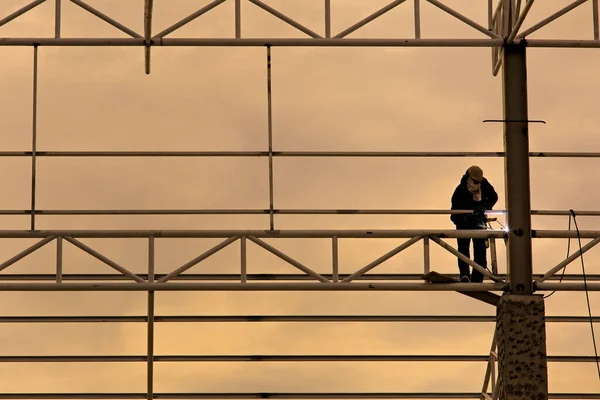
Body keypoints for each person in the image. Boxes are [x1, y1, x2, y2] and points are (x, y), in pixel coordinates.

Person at [450, 166, 498, 283]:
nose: (477, 184)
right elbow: (453, 214)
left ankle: (477, 277)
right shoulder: (460, 191)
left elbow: (494, 197)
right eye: (475, 181)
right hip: (464, 225)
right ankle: (464, 275)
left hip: (479, 223)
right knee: (463, 251)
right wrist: (465, 218)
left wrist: (484, 206)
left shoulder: (484, 185)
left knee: (480, 250)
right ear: (469, 178)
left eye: (478, 181)